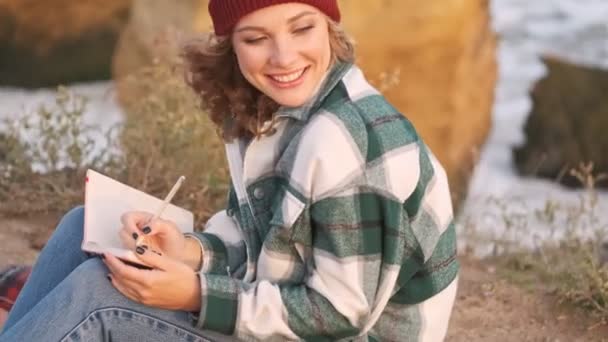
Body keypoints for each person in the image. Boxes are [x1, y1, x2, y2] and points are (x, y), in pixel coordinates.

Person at [0, 0, 459, 341]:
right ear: (230, 43)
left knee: (93, 295)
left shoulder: (345, 142)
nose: (283, 57)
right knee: (84, 226)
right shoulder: (270, 114)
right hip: (284, 306)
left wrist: (195, 295)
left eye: (302, 29)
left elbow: (341, 315)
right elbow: (258, 242)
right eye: (256, 39)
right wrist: (187, 252)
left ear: (330, 27)